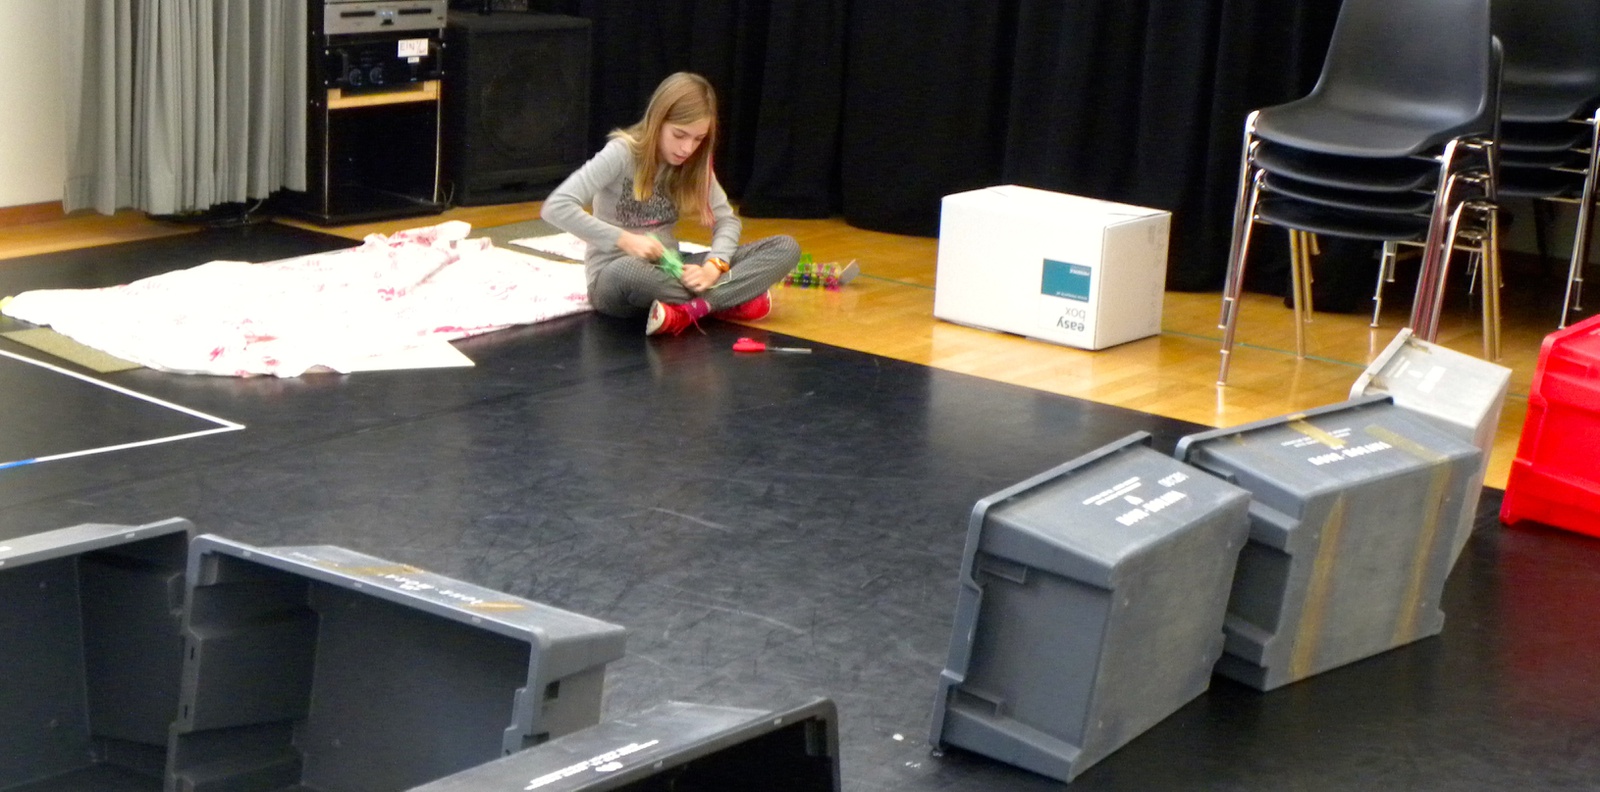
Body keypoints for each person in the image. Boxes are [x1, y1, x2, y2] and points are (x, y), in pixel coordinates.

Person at [542, 72, 800, 336]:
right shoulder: (621, 153)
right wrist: (625, 240)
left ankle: (690, 310)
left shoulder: (694, 164)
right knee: (630, 271)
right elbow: (556, 206)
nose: (687, 148)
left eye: (698, 139)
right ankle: (729, 299)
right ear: (658, 121)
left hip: (672, 268)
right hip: (616, 277)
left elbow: (727, 220)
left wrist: (714, 267)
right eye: (679, 135)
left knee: (785, 247)